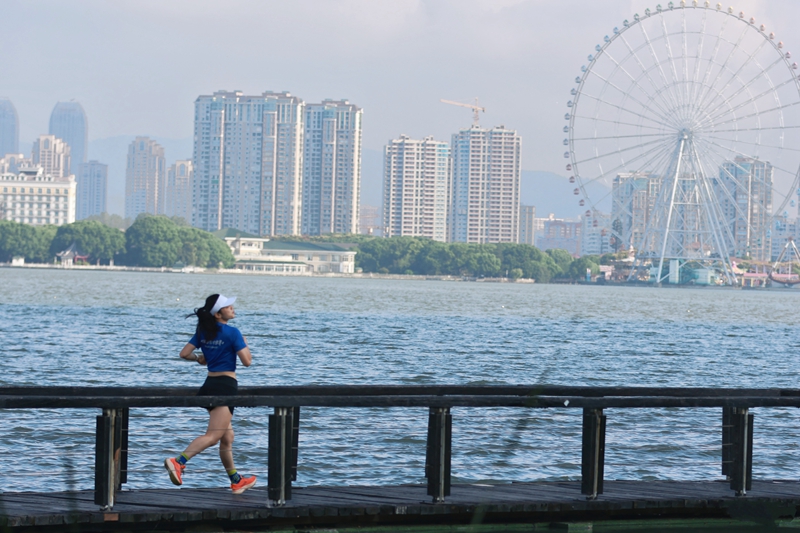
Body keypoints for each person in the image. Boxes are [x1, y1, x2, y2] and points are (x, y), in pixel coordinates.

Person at [164, 294, 257, 494]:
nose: (232, 308)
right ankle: (178, 461)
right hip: (225, 386)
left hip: (209, 384)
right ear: (218, 314)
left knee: (227, 437)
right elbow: (247, 362)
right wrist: (245, 343)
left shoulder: (204, 332)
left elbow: (184, 354)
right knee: (213, 436)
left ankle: (236, 480)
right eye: (227, 306)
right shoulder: (233, 333)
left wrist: (199, 358)